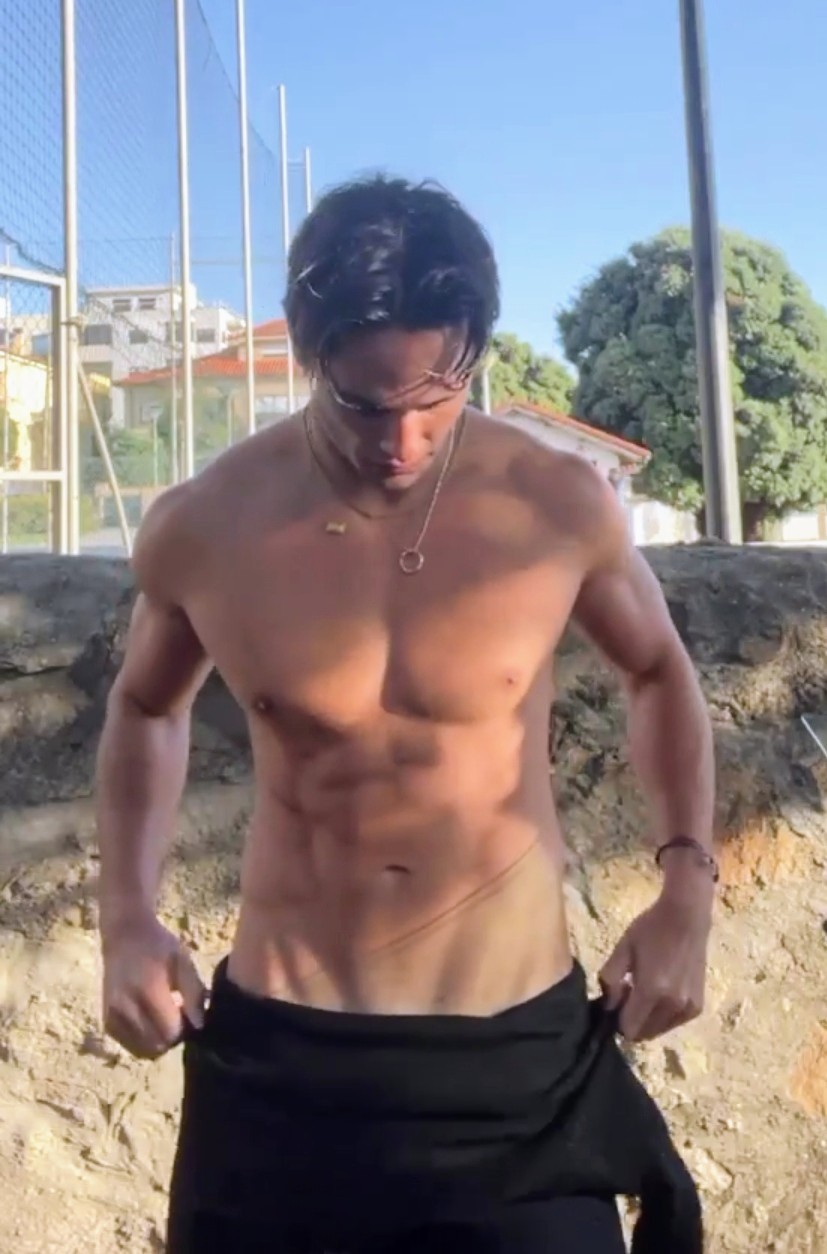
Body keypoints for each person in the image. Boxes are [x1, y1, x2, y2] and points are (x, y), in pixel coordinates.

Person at [96, 176, 715, 1253]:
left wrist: (685, 892)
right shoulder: (209, 523)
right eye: (364, 406)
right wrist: (125, 919)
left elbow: (658, 672)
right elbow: (146, 707)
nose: (404, 442)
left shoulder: (555, 503)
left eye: (439, 396)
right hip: (284, 1063)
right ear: (307, 354)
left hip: (515, 1061)